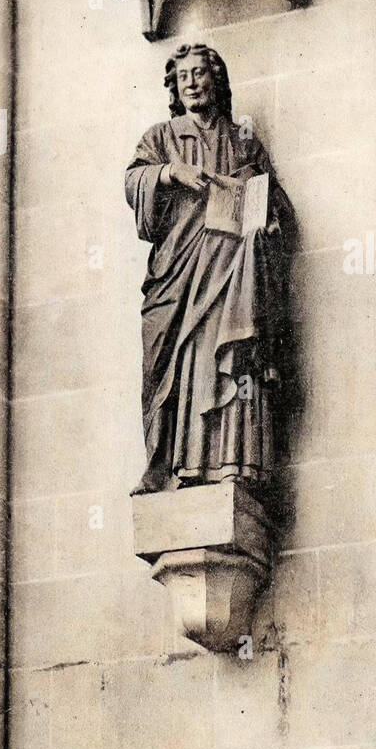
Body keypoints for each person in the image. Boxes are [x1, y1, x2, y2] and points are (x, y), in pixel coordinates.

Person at [125, 42, 294, 493]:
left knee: (221, 357)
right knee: (165, 360)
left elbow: (275, 204)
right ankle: (162, 462)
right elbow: (133, 179)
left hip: (230, 273)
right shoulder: (161, 137)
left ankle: (223, 461)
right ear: (175, 89)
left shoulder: (242, 139)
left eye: (201, 74)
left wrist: (262, 210)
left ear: (215, 81)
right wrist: (169, 174)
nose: (194, 83)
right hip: (178, 272)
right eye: (185, 78)